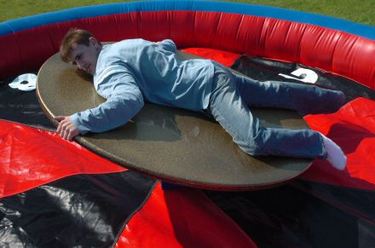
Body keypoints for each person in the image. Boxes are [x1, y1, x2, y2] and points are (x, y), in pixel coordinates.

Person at [56, 28, 347, 170]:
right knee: (268, 92)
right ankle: (334, 98)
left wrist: (82, 120)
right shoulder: (123, 45)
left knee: (253, 141)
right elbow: (164, 46)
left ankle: (316, 143)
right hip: (210, 70)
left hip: (208, 89)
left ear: (94, 43)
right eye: (75, 64)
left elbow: (129, 101)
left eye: (80, 57)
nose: (81, 66)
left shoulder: (107, 67)